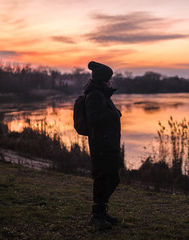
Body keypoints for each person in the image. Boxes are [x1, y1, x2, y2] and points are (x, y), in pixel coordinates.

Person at [84, 61, 122, 230]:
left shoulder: (101, 94)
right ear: (103, 80)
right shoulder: (95, 95)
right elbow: (94, 119)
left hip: (107, 143)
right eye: (109, 79)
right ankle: (96, 215)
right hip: (101, 145)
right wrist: (113, 115)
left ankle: (101, 211)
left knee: (111, 177)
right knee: (104, 179)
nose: (111, 81)